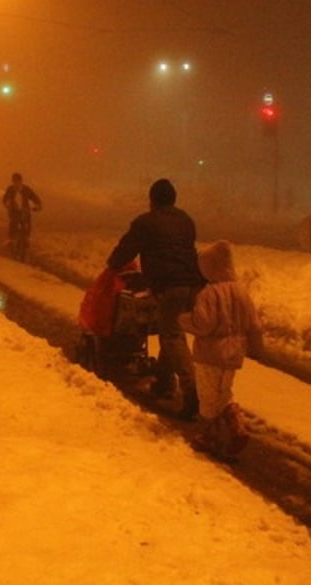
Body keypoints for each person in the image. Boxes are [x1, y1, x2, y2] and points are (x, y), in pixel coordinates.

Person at [106, 178, 204, 420]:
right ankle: (163, 381)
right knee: (170, 330)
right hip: (193, 284)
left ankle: (191, 392)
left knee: (171, 336)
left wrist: (113, 264)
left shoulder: (145, 222)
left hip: (169, 285)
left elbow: (127, 247)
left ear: (152, 200)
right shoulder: (186, 220)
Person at [177, 240, 263, 460]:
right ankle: (236, 428)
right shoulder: (242, 292)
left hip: (210, 354)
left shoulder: (209, 294)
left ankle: (209, 436)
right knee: (224, 392)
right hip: (234, 354)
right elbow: (253, 323)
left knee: (207, 395)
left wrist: (184, 320)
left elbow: (203, 324)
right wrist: (255, 347)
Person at [2, 172, 42, 260]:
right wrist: (7, 203)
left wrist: (38, 205)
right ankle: (11, 240)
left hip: (25, 211)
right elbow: (5, 198)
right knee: (13, 223)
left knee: (27, 225)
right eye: (14, 182)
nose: (16, 183)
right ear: (12, 182)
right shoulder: (10, 189)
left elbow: (34, 197)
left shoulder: (26, 189)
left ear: (21, 181)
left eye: (18, 181)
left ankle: (27, 239)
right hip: (14, 211)